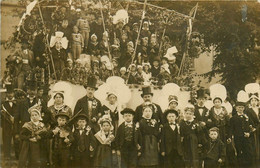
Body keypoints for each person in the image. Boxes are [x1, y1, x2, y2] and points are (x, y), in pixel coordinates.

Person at [228, 101, 253, 167]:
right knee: (239, 153)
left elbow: (251, 127)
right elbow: (230, 129)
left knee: (247, 152)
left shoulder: (247, 117)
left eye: (242, 107)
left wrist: (249, 133)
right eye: (239, 107)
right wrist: (230, 137)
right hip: (237, 138)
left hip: (246, 138)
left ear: (244, 108)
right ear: (236, 108)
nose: (240, 109)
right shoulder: (233, 118)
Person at [1, 84, 19, 162]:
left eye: (11, 93)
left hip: (16, 125)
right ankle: (7, 156)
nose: (10, 95)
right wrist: (2, 124)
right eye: (8, 93)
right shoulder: (2, 103)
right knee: (6, 140)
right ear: (6, 94)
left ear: (14, 93)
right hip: (6, 125)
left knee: (17, 140)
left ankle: (17, 156)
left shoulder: (18, 102)